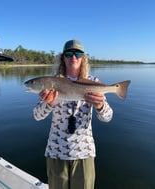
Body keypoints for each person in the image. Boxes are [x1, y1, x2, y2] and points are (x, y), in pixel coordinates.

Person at [33, 39, 113, 189]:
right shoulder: (52, 82)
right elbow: (37, 116)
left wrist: (100, 105)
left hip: (84, 152)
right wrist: (48, 104)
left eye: (78, 53)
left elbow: (107, 117)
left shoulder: (93, 82)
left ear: (83, 58)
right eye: (69, 53)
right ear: (63, 57)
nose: (73, 57)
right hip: (56, 151)